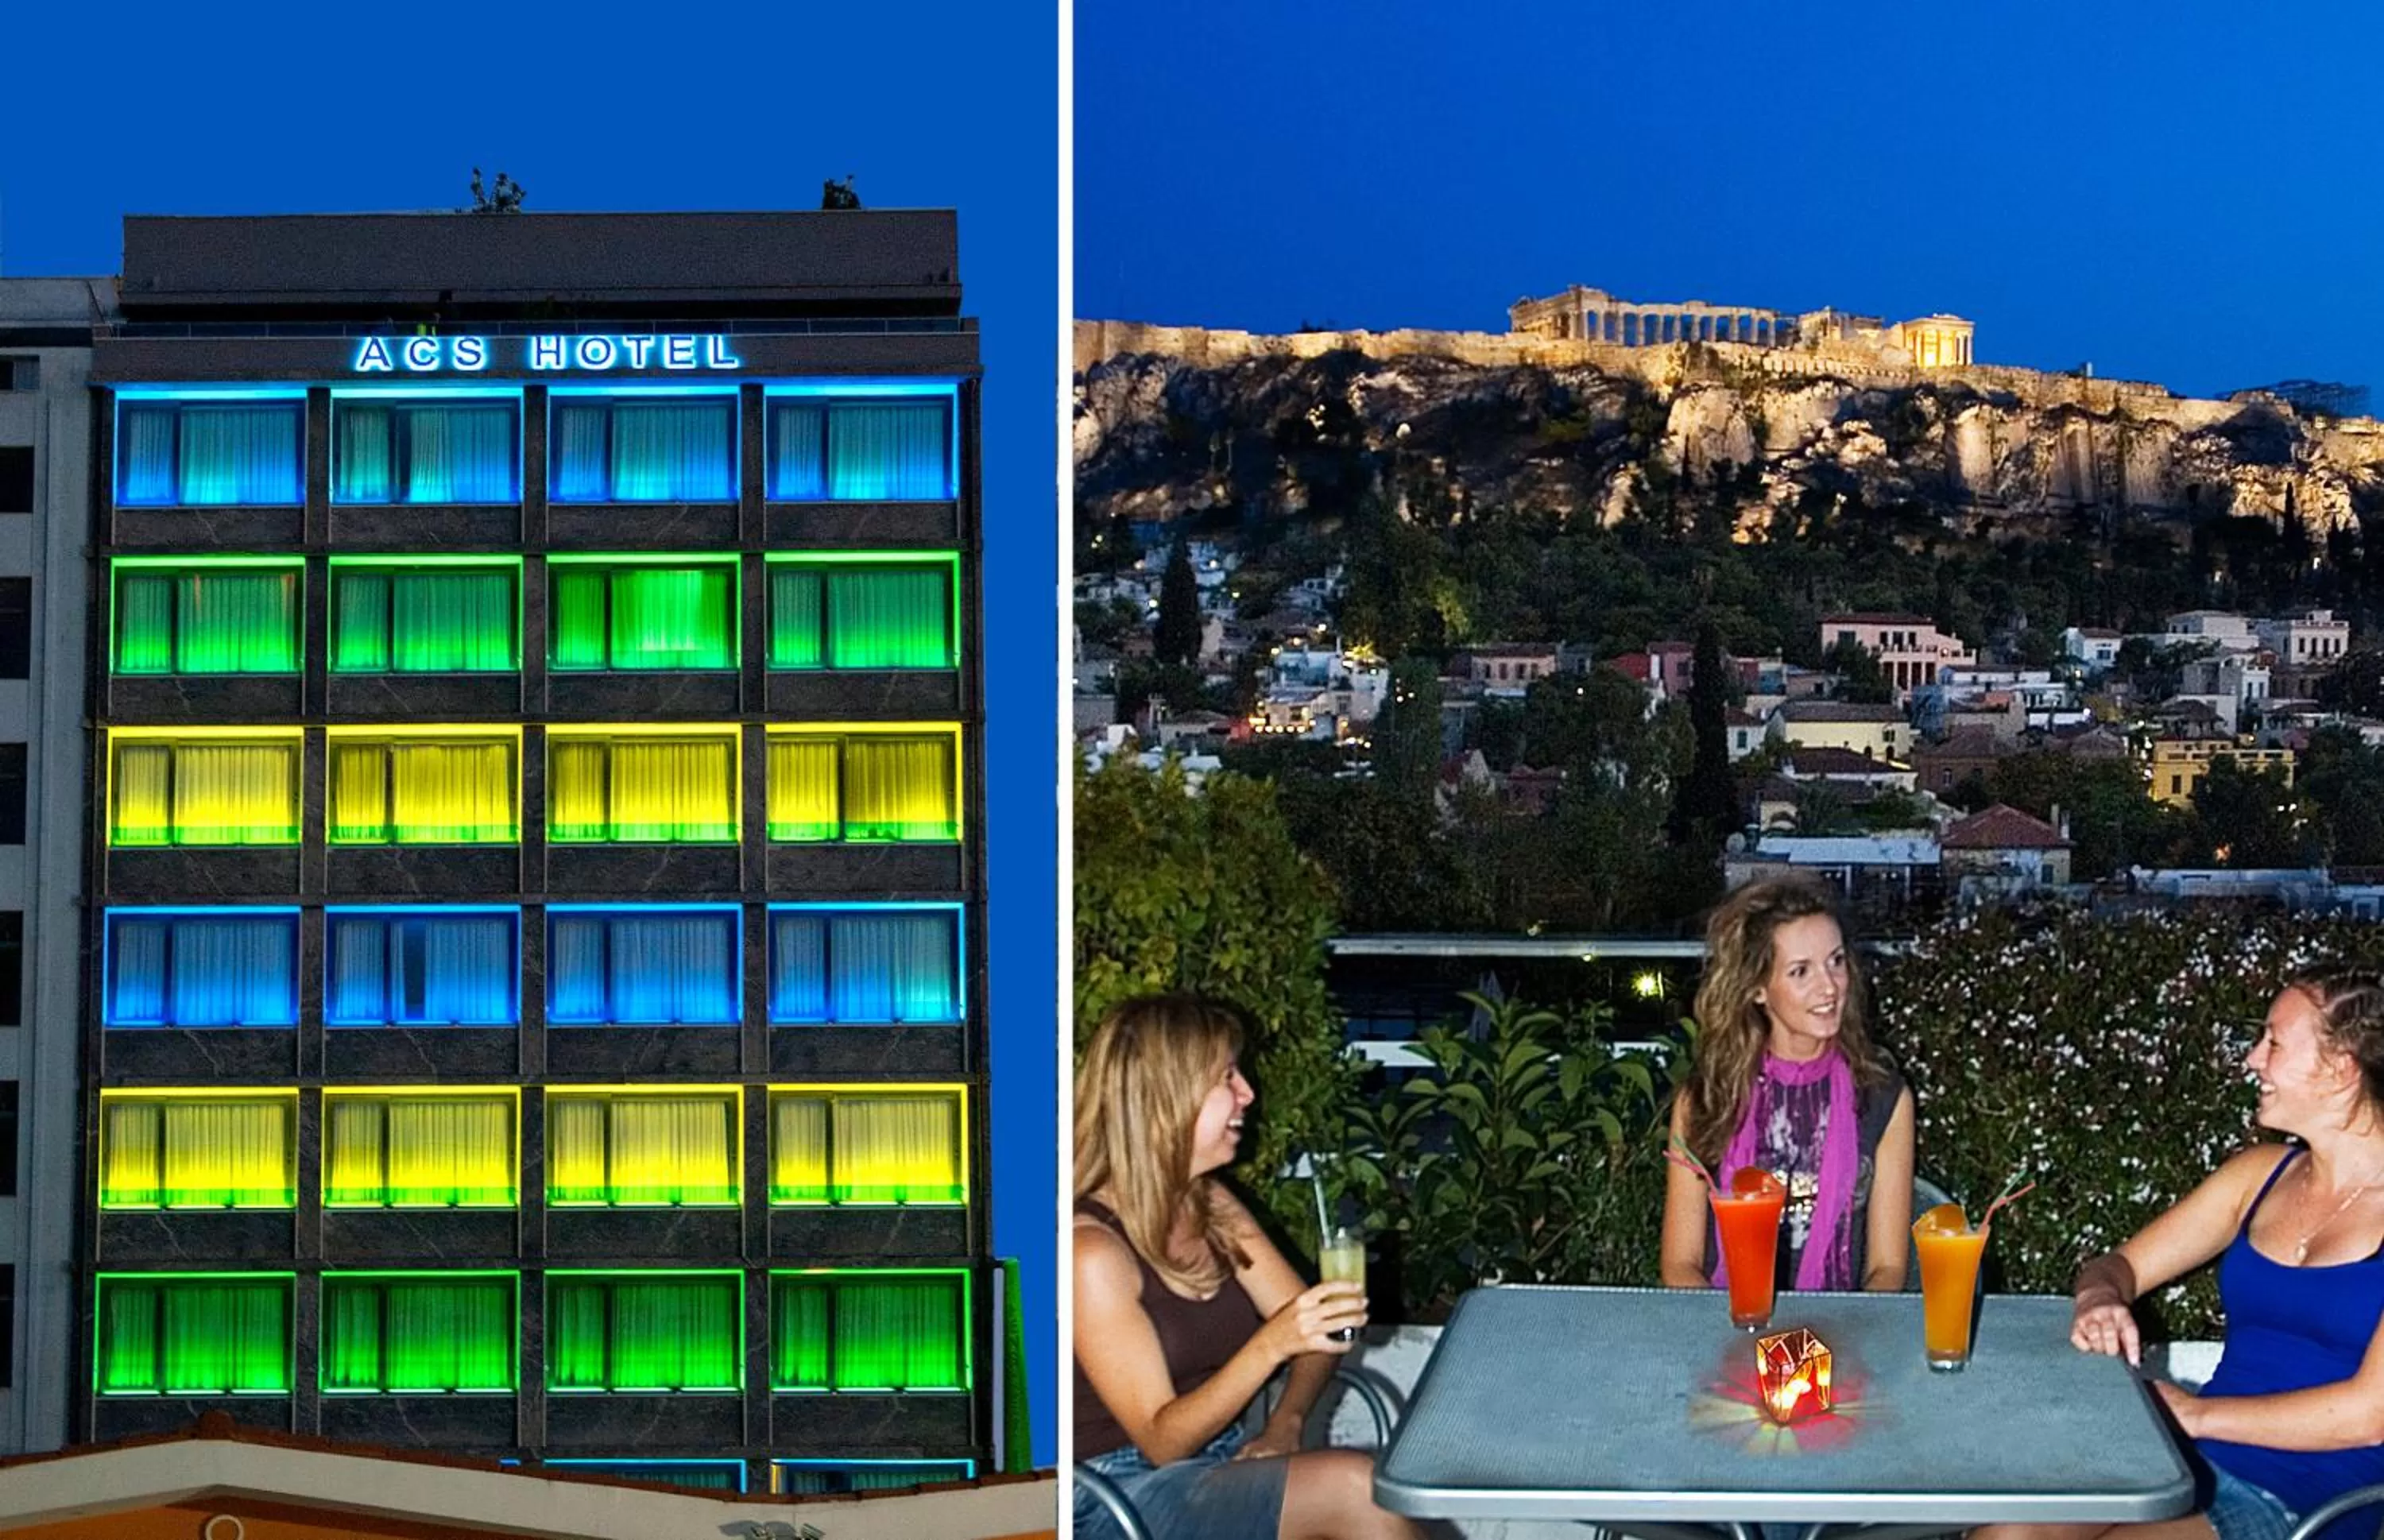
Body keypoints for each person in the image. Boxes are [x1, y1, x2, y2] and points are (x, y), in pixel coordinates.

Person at [1979, 968, 2384, 1540]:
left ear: (2341, 1071)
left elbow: (2369, 1416)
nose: (2251, 1059)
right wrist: (2100, 1298)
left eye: (2273, 1041)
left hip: (2310, 1498)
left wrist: (2193, 1413)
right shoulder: (2259, 1176)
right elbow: (2117, 1266)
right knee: (2009, 1533)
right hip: (2187, 1456)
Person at [1074, 995, 1423, 1540]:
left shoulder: (1209, 1202)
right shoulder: (1091, 1252)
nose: (1248, 1094)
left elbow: (1314, 1332)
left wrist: (1286, 1421)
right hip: (1111, 1495)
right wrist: (1271, 1344)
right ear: (1167, 1098)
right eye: (1227, 1077)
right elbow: (1162, 1442)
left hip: (1214, 1465)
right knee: (1356, 1491)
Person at [1658, 877, 1917, 1293]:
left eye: (1835, 961)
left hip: (1837, 1339)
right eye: (1801, 971)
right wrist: (1742, 1337)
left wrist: (1823, 1347)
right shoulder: (1707, 1100)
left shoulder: (1883, 1097)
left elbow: (1887, 1270)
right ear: (1758, 989)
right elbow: (1679, 1265)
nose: (1830, 987)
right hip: (1724, 1330)